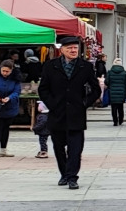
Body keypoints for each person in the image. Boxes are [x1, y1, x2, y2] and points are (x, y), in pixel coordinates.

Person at [38, 35, 101, 189]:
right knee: (58, 147)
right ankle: (64, 174)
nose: (73, 50)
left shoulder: (85, 66)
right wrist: (52, 104)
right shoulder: (50, 66)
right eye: (70, 48)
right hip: (57, 113)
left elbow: (96, 89)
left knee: (75, 148)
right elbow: (43, 89)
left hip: (76, 114)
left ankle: (72, 177)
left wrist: (85, 103)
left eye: (75, 48)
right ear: (62, 50)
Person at [105, 58, 126, 126]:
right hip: (122, 92)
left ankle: (115, 121)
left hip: (112, 92)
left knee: (113, 107)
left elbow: (106, 82)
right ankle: (121, 120)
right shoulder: (124, 73)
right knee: (120, 107)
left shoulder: (110, 72)